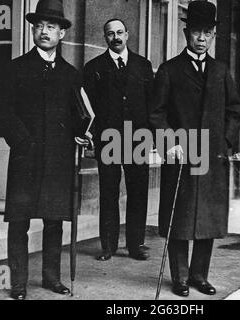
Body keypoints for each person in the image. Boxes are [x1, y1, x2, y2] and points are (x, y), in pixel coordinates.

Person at [0, 0, 87, 300]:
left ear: (61, 33)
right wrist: (23, 141)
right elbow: (2, 112)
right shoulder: (16, 68)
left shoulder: (71, 75)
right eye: (39, 26)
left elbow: (78, 116)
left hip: (58, 161)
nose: (44, 31)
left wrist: (81, 135)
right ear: (33, 31)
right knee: (19, 223)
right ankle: (18, 283)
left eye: (51, 27)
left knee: (54, 222)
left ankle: (51, 278)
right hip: (25, 158)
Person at [149, 1, 240, 297]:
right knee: (180, 217)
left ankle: (199, 275)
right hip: (181, 155)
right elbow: (156, 113)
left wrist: (224, 142)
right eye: (196, 32)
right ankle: (179, 277)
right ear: (186, 33)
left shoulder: (221, 71)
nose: (202, 38)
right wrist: (169, 142)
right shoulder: (169, 69)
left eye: (208, 33)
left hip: (213, 158)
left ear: (213, 35)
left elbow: (235, 111)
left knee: (208, 219)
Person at [83, 19, 154, 261]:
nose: (116, 37)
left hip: (138, 140)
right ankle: (108, 246)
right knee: (109, 192)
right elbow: (88, 106)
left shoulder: (143, 66)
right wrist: (91, 135)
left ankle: (136, 245)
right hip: (108, 140)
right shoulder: (94, 67)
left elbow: (152, 103)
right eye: (111, 34)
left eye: (120, 33)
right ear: (105, 37)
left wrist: (151, 137)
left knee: (138, 193)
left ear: (128, 34)